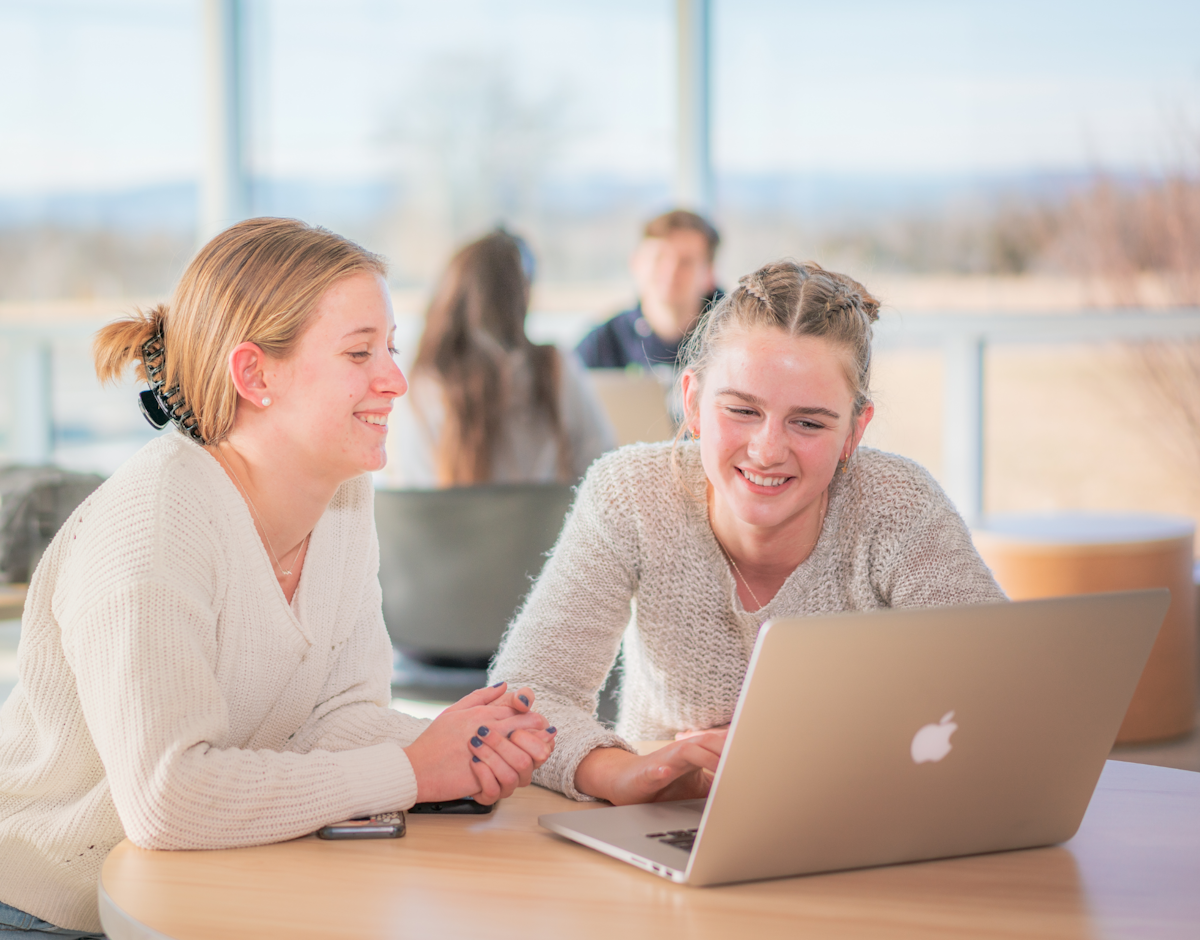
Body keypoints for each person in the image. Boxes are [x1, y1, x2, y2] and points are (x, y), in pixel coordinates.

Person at [0, 218, 555, 940]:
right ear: (255, 374)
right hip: (26, 934)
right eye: (360, 352)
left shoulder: (340, 498)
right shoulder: (153, 526)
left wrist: (495, 751)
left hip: (154, 919)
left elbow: (343, 715)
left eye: (392, 348)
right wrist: (415, 766)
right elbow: (169, 796)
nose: (396, 379)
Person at [491, 259, 1005, 807]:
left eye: (808, 422)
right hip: (666, 820)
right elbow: (527, 696)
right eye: (741, 409)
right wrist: (621, 773)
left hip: (854, 819)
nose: (767, 450)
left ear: (854, 431)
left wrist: (797, 757)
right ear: (691, 402)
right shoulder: (632, 494)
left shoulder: (898, 505)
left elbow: (1003, 688)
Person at [385, 229, 614, 487]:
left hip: (446, 526)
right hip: (551, 526)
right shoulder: (554, 366)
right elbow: (601, 465)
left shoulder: (419, 373)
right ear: (521, 295)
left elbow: (415, 486)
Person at [575, 209, 720, 372]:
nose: (671, 271)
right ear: (635, 262)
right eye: (659, 258)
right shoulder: (602, 345)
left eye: (686, 262)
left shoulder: (735, 335)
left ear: (709, 274)